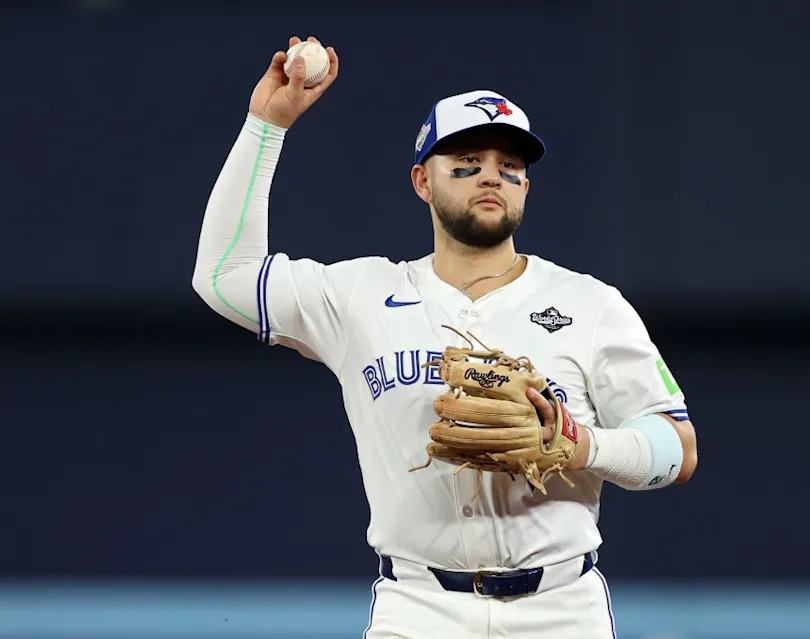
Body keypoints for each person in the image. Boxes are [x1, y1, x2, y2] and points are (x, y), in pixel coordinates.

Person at [192, 35, 698, 639]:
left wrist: (579, 444)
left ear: (527, 188)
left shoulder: (591, 304)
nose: (491, 175)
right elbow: (225, 277)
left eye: (510, 166)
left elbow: (677, 449)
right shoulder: (361, 296)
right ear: (421, 182)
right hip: (418, 608)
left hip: (562, 610)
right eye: (466, 162)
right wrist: (265, 127)